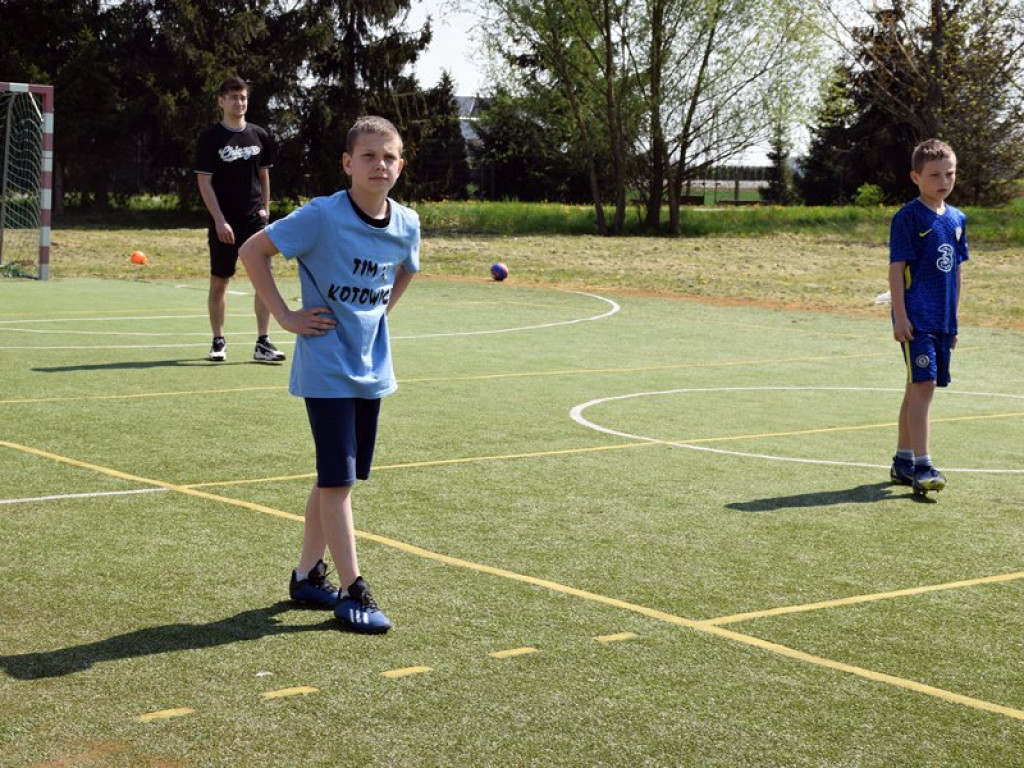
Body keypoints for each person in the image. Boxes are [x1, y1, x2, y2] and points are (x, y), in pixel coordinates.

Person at [239, 116, 419, 633]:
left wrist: (379, 313)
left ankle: (306, 576)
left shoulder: (407, 222)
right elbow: (253, 251)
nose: (379, 165)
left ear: (400, 164)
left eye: (389, 157)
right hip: (326, 367)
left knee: (336, 477)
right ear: (347, 163)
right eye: (368, 156)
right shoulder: (322, 215)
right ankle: (353, 589)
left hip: (371, 368)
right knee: (338, 482)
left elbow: (407, 268)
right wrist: (285, 317)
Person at [888, 138, 969, 494]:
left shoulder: (957, 218)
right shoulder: (908, 217)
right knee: (925, 385)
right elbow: (896, 270)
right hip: (916, 319)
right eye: (935, 175)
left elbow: (957, 272)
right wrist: (900, 316)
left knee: (916, 386)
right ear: (916, 177)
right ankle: (923, 466)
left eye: (949, 173)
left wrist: (954, 320)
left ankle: (903, 461)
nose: (944, 181)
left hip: (942, 321)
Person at [195, 76, 285, 363]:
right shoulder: (210, 138)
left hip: (254, 221)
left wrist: (265, 211)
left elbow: (264, 176)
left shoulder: (259, 135)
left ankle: (263, 342)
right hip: (225, 222)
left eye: (243, 97)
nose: (239, 102)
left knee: (264, 280)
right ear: (221, 101)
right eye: (234, 97)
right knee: (219, 282)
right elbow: (204, 183)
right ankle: (218, 340)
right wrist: (219, 219)